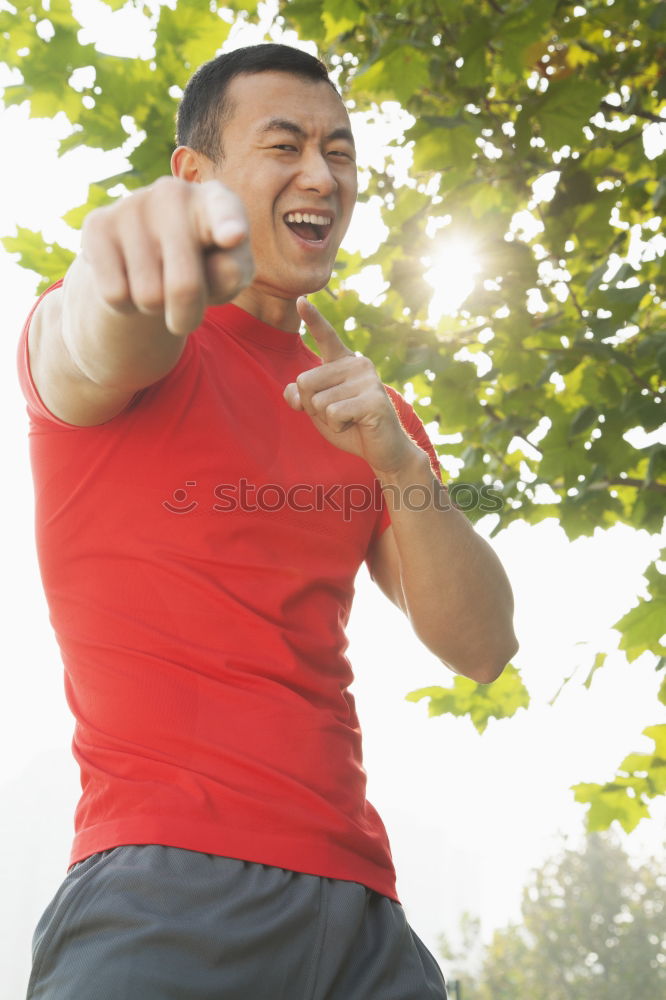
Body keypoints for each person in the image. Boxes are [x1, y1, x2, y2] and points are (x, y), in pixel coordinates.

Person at [18, 42, 517, 1000]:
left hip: (367, 921)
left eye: (340, 150)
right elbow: (90, 337)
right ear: (194, 176)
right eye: (284, 144)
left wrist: (400, 461)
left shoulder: (366, 408)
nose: (321, 175)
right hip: (166, 892)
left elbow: (484, 644)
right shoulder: (132, 348)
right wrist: (125, 270)